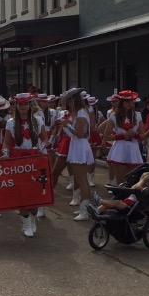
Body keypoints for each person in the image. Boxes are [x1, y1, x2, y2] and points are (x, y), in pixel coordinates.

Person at [1, 92, 46, 237]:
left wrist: (42, 148)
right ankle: (25, 223)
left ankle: (33, 219)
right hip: (18, 159)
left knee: (35, 192)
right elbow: (6, 143)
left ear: (29, 105)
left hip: (35, 158)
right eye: (20, 104)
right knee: (22, 193)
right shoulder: (10, 122)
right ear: (15, 105)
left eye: (25, 104)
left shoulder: (38, 120)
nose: (23, 107)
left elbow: (45, 139)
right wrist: (5, 155)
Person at [59, 88, 95, 222]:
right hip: (78, 145)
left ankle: (85, 211)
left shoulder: (80, 112)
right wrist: (65, 126)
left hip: (80, 147)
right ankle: (83, 206)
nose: (67, 103)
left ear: (73, 100)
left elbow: (80, 134)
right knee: (80, 180)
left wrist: (67, 125)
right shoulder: (79, 112)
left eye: (68, 101)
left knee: (82, 180)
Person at [100, 90, 144, 183]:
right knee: (120, 181)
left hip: (133, 149)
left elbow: (142, 136)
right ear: (122, 102)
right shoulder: (114, 116)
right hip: (119, 149)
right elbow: (106, 136)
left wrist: (135, 134)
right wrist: (122, 136)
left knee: (132, 180)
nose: (129, 103)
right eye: (126, 101)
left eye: (131, 101)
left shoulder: (138, 115)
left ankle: (130, 197)